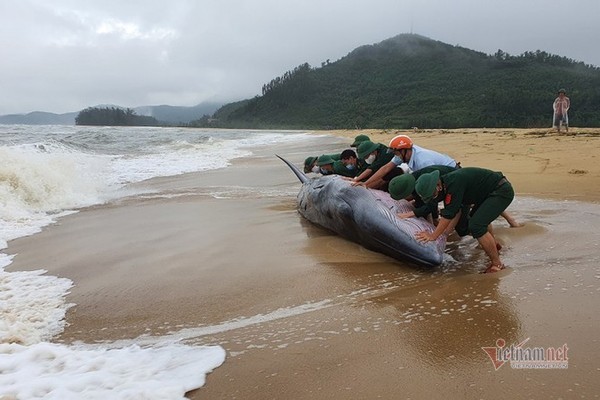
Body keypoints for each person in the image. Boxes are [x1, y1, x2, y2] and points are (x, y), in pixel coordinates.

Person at [413, 167, 514, 273]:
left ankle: (497, 264)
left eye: (433, 195)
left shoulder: (453, 184)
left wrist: (433, 236)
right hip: (487, 194)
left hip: (501, 191)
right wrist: (445, 234)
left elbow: (449, 215)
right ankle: (493, 245)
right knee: (476, 219)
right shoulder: (447, 184)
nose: (434, 198)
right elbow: (455, 211)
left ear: (438, 186)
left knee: (476, 225)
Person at [361, 134, 457, 189]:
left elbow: (431, 185)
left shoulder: (422, 161)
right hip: (435, 173)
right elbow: (385, 168)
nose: (395, 156)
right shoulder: (403, 154)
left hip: (452, 173)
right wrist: (365, 184)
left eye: (396, 153)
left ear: (403, 151)